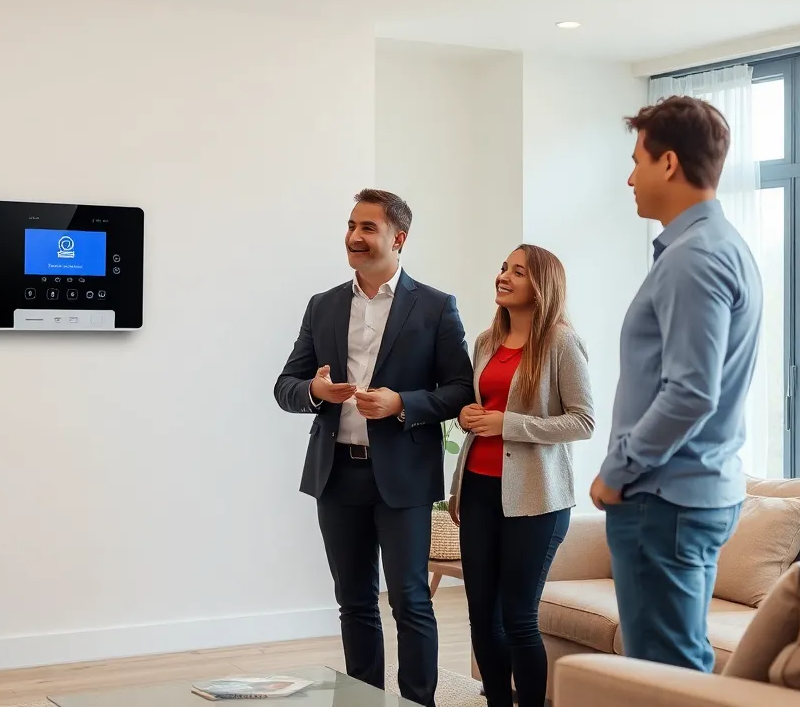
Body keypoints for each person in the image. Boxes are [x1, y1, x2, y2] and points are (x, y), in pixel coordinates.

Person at [273, 189, 475, 707]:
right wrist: (314, 391)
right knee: (354, 601)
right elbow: (285, 385)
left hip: (403, 477)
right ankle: (362, 700)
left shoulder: (434, 307)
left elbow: (459, 390)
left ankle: (417, 701)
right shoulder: (323, 305)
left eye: (367, 228)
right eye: (350, 225)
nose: (354, 237)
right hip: (336, 474)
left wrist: (401, 404)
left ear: (398, 238)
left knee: (410, 599)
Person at [590, 95, 763, 673]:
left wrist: (618, 471)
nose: (630, 177)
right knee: (676, 669)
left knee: (665, 677)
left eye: (637, 159)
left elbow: (691, 392)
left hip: (663, 497)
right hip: (687, 493)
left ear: (668, 163)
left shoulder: (696, 257)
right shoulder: (720, 247)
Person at [448, 244, 595, 707]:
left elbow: (583, 421)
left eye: (518, 272)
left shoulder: (560, 342)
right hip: (478, 490)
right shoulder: (485, 341)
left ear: (541, 285)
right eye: (503, 268)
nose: (503, 277)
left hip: (537, 500)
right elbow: (481, 410)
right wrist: (468, 414)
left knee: (518, 618)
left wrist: (508, 424)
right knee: (480, 617)